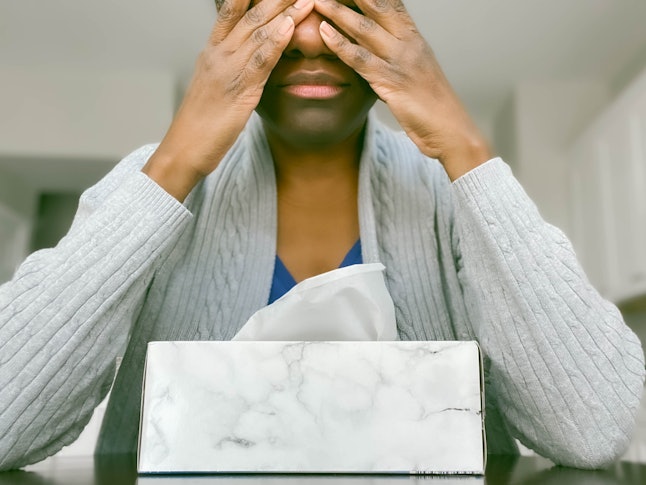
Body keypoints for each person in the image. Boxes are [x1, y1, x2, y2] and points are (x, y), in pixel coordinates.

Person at [0, 0, 643, 471]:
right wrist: (174, 163)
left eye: (344, 8)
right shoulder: (153, 177)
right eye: (273, 8)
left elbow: (593, 429)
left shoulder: (455, 194)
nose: (310, 38)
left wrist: (465, 148)